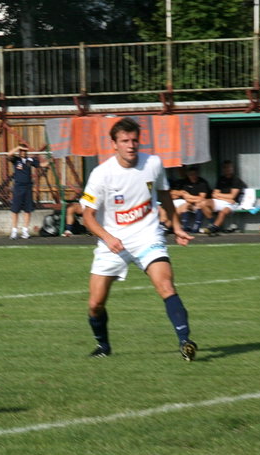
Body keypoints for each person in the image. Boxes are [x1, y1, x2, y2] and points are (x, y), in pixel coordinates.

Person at [80, 117, 198, 361]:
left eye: (134, 140)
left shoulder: (153, 164)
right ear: (114, 144)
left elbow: (165, 196)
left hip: (147, 235)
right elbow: (87, 217)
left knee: (166, 286)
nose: (131, 145)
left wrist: (176, 227)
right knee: (95, 304)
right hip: (113, 242)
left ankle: (185, 341)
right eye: (124, 141)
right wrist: (107, 237)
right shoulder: (101, 174)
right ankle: (103, 346)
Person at [202, 160, 246, 236]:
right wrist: (226, 198)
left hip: (233, 204)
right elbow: (214, 194)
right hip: (224, 201)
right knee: (203, 203)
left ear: (232, 168)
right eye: (225, 168)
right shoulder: (221, 179)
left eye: (229, 167)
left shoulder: (236, 180)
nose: (227, 169)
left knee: (223, 211)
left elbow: (232, 196)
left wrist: (220, 196)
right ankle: (212, 224)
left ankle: (214, 228)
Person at [7, 143, 41, 239]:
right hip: (18, 187)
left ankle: (25, 231)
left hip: (28, 187)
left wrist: (50, 161)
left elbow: (40, 165)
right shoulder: (16, 160)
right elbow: (8, 155)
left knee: (27, 209)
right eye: (21, 150)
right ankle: (14, 230)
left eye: (24, 150)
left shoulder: (30, 160)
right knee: (15, 209)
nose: (23, 152)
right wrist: (17, 147)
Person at [170, 165, 210, 234]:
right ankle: (185, 227)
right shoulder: (186, 182)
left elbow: (202, 198)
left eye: (194, 174)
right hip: (189, 203)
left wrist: (190, 197)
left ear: (197, 174)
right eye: (191, 175)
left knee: (199, 204)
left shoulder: (202, 182)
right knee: (185, 205)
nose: (192, 176)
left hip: (200, 203)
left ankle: (196, 227)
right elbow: (184, 196)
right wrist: (191, 198)